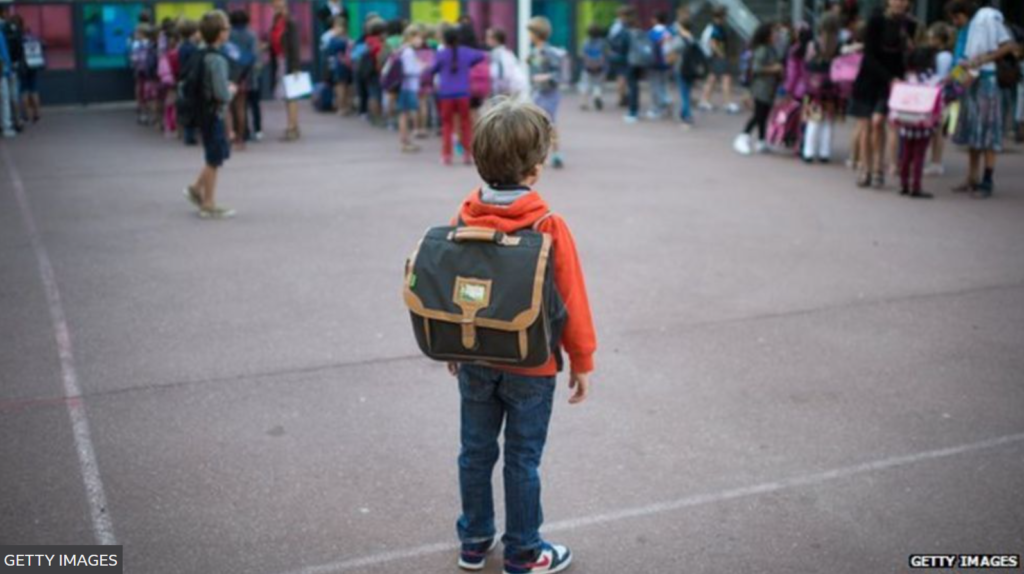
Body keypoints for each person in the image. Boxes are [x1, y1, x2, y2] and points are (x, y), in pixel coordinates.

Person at [449, 96, 595, 574]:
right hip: (533, 363)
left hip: (474, 353)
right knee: (522, 460)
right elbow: (571, 299)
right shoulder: (547, 224)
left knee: (474, 451)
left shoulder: (465, 216)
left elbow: (452, 285)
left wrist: (453, 343)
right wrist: (583, 361)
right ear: (536, 168)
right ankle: (524, 552)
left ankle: (473, 540)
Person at [947, 0, 1018, 198]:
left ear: (964, 12)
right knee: (973, 132)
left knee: (988, 132)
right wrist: (952, 79)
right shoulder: (969, 29)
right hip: (973, 82)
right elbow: (967, 61)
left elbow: (1008, 45)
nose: (955, 22)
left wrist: (984, 59)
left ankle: (987, 181)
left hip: (987, 83)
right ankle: (972, 177)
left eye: (956, 17)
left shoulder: (987, 17)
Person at [849, 0, 916, 189]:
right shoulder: (875, 21)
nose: (900, 3)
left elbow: (906, 58)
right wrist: (890, 78)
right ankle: (866, 169)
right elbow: (868, 56)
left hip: (891, 83)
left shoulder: (909, 24)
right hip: (869, 79)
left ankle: (879, 168)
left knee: (879, 123)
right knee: (865, 126)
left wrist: (910, 50)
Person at [184, 10, 236, 220]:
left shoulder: (200, 52)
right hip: (214, 113)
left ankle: (196, 188)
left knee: (214, 155)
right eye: (226, 27)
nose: (229, 31)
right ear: (219, 33)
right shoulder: (217, 59)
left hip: (202, 110)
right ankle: (208, 203)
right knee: (214, 157)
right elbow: (221, 94)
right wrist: (231, 90)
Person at [429, 25, 484, 165]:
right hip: (463, 93)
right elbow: (482, 55)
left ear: (444, 40)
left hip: (445, 94)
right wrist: (469, 64)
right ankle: (467, 154)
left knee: (447, 125)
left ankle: (447, 155)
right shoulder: (466, 52)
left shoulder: (441, 54)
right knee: (466, 124)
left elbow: (431, 70)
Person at [895, 48, 941, 199]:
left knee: (906, 154)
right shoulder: (932, 77)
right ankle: (916, 186)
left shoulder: (908, 76)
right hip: (923, 122)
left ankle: (903, 185)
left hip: (906, 120)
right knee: (919, 155)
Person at [733, 23, 781, 155]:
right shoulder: (762, 50)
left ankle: (761, 141)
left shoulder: (771, 49)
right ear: (767, 36)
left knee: (764, 115)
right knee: (759, 115)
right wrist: (774, 69)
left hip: (769, 88)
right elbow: (757, 68)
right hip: (761, 88)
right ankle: (743, 136)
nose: (777, 35)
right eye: (774, 33)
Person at [802, 15, 842, 163]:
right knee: (828, 121)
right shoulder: (838, 45)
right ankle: (825, 153)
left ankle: (808, 152)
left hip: (814, 87)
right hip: (832, 87)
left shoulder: (813, 44)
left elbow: (807, 63)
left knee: (813, 121)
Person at [527, 16, 566, 169]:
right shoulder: (534, 52)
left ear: (537, 33)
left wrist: (546, 76)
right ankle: (542, 155)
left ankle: (556, 154)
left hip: (549, 93)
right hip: (538, 92)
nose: (529, 36)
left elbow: (558, 74)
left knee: (549, 122)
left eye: (530, 32)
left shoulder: (550, 52)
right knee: (539, 123)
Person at [924, 21, 955, 176]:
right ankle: (936, 161)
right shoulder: (947, 55)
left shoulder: (942, 56)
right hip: (943, 97)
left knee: (937, 131)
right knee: (938, 131)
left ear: (939, 39)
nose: (929, 42)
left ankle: (936, 162)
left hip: (939, 97)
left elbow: (940, 77)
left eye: (931, 38)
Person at [269, 0, 301, 141]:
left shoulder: (289, 23)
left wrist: (295, 67)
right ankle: (292, 125)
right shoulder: (276, 21)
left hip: (288, 62)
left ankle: (292, 127)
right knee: (286, 96)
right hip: (279, 61)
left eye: (281, 6)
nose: (278, 8)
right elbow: (274, 41)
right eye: (275, 6)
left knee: (291, 96)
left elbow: (295, 46)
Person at [699, 6, 739, 114]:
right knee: (726, 78)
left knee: (712, 78)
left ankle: (704, 100)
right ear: (722, 16)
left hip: (713, 57)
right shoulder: (717, 28)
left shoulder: (713, 26)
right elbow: (713, 43)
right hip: (718, 57)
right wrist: (721, 54)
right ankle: (727, 103)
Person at [227, 10, 257, 147]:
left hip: (230, 75)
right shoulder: (251, 35)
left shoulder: (228, 35)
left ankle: (231, 134)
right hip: (245, 76)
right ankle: (241, 137)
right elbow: (254, 56)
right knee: (241, 108)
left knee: (230, 107)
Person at [667, 6, 697, 128]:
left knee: (683, 92)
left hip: (681, 68)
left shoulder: (678, 39)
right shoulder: (692, 39)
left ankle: (686, 114)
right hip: (691, 68)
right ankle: (685, 112)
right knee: (687, 91)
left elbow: (671, 54)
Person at [395, 25, 423, 153]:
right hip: (408, 86)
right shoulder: (408, 52)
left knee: (404, 114)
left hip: (404, 86)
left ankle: (405, 141)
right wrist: (421, 68)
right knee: (406, 114)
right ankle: (405, 142)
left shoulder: (403, 50)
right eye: (419, 37)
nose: (420, 40)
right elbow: (409, 70)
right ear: (411, 37)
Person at [177, 19, 201, 145]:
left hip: (185, 79)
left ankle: (188, 134)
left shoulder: (182, 47)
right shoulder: (192, 48)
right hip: (191, 80)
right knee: (192, 107)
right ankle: (190, 135)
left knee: (188, 107)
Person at [323, 15, 352, 116]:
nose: (336, 29)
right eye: (335, 27)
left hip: (347, 65)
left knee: (347, 87)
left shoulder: (346, 38)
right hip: (339, 65)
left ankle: (346, 106)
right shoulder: (334, 39)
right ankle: (341, 107)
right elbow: (330, 51)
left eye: (339, 26)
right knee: (340, 86)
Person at [486, 27, 526, 99]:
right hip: (510, 90)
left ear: (495, 40)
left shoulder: (500, 55)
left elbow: (503, 75)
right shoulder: (502, 53)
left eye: (489, 37)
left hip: (509, 91)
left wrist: (501, 93)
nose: (487, 40)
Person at [647, 12, 673, 119]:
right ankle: (666, 103)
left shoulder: (651, 33)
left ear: (655, 19)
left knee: (655, 86)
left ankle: (658, 107)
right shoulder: (669, 31)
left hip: (654, 63)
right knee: (664, 84)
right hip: (667, 62)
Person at [578, 24, 608, 111]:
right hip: (600, 68)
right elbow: (606, 54)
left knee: (585, 84)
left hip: (587, 68)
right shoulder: (603, 42)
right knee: (598, 84)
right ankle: (597, 95)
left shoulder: (585, 42)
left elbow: (582, 54)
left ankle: (583, 102)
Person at [19, 22, 44, 124]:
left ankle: (26, 116)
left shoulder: (21, 40)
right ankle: (37, 114)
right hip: (34, 66)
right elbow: (43, 46)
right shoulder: (35, 39)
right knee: (34, 90)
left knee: (24, 91)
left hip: (24, 68)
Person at [0, 10, 15, 138]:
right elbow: (4, 54)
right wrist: (8, 70)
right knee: (4, 99)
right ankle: (6, 126)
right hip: (1, 73)